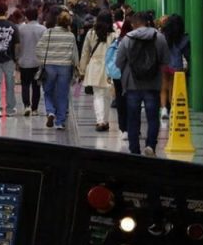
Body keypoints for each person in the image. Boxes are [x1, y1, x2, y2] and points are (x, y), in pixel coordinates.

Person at [115, 13, 171, 156]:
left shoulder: (127, 39)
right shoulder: (159, 37)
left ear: (133, 24)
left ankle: (134, 150)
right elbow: (166, 61)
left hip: (132, 85)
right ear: (147, 22)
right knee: (152, 117)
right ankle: (151, 145)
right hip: (152, 84)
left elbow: (118, 62)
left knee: (133, 117)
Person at [34, 11, 79, 131]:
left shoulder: (48, 32)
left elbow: (38, 48)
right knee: (62, 95)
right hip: (65, 67)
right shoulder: (71, 35)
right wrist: (77, 67)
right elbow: (74, 54)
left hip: (49, 66)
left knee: (48, 91)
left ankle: (50, 112)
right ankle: (60, 122)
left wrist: (43, 60)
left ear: (57, 21)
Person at [78, 13, 116, 132]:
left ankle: (100, 121)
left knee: (97, 95)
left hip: (94, 65)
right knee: (108, 95)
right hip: (109, 66)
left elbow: (85, 52)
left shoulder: (91, 33)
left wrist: (82, 70)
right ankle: (105, 121)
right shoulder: (114, 34)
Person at [159, 14, 191, 119]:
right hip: (176, 65)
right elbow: (186, 54)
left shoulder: (163, 35)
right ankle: (172, 109)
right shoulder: (183, 38)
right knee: (173, 88)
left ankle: (163, 109)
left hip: (164, 64)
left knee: (163, 87)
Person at [16, 7, 46, 116]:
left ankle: (26, 106)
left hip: (24, 61)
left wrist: (17, 59)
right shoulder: (43, 29)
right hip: (38, 62)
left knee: (25, 85)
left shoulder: (21, 29)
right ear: (37, 16)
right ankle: (35, 109)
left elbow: (18, 46)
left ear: (26, 16)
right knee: (36, 86)